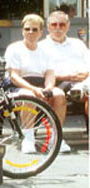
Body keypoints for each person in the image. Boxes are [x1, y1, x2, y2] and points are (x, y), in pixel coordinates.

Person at [4, 13, 69, 153]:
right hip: (18, 86)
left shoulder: (46, 51)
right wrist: (34, 89)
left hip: (41, 84)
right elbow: (14, 76)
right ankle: (28, 138)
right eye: (27, 29)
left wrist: (49, 88)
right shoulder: (14, 49)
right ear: (22, 31)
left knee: (59, 95)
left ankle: (56, 137)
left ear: (41, 32)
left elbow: (50, 74)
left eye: (34, 29)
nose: (30, 32)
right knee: (29, 96)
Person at [39, 10, 90, 121]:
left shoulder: (78, 44)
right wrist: (65, 76)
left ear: (68, 26)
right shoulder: (40, 47)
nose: (58, 28)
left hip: (82, 81)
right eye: (54, 24)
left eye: (62, 24)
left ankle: (83, 89)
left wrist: (86, 73)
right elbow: (38, 72)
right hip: (57, 85)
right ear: (48, 27)